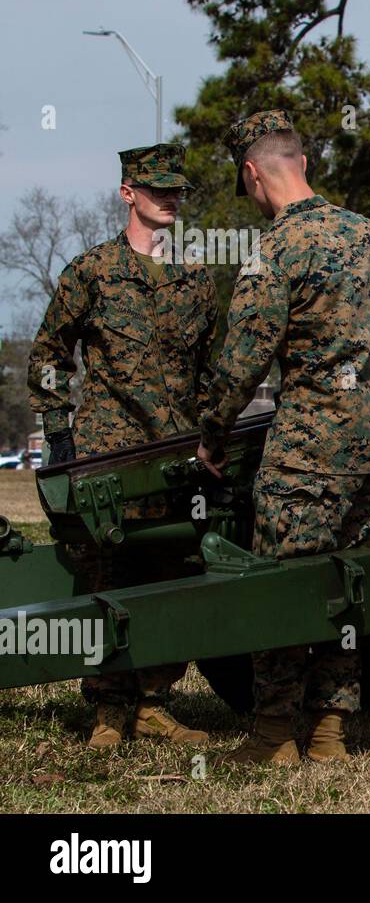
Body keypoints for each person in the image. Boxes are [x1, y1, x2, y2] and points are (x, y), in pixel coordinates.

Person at [197, 110, 370, 765]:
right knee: (345, 583)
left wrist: (213, 435)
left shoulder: (273, 253)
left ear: (252, 174)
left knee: (281, 586)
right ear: (303, 163)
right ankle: (331, 730)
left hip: (306, 450)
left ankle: (275, 735)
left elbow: (243, 361)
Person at [27, 143, 218, 749]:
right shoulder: (91, 272)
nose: (171, 199)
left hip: (178, 454)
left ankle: (155, 704)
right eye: (157, 188)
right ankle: (109, 709)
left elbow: (215, 370)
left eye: (177, 190)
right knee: (105, 574)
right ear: (128, 193)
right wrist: (58, 432)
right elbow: (48, 356)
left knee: (174, 574)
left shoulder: (197, 279)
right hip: (109, 452)